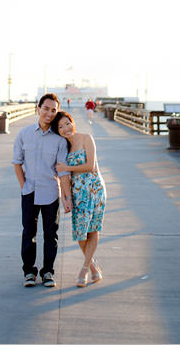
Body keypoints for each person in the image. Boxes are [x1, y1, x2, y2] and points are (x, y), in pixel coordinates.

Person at [12, 93, 71, 288]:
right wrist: (24, 187)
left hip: (50, 192)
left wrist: (66, 197)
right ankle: (29, 271)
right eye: (46, 108)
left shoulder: (60, 140)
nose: (49, 113)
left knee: (50, 234)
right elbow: (17, 163)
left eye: (53, 110)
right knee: (28, 232)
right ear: (38, 108)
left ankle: (48, 272)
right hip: (29, 191)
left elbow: (62, 171)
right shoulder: (24, 134)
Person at [53, 110, 107, 287]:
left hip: (94, 189)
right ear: (58, 131)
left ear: (72, 122)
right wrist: (66, 196)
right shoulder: (63, 147)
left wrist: (67, 166)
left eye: (67, 123)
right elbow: (63, 174)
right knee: (80, 232)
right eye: (60, 127)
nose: (65, 128)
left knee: (93, 229)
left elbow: (90, 166)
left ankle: (84, 269)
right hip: (78, 193)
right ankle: (93, 266)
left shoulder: (86, 138)